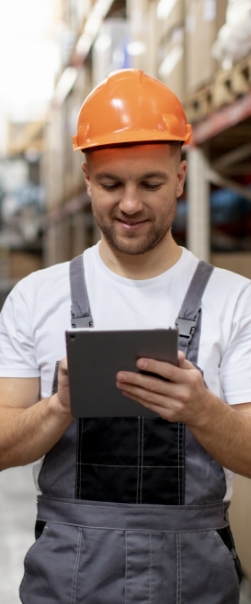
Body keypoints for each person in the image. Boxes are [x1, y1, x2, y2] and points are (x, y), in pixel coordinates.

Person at [0, 69, 251, 604]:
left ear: (182, 177)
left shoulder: (235, 300)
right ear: (87, 178)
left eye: (151, 184)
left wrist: (203, 409)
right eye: (111, 184)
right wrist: (60, 407)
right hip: (68, 578)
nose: (131, 204)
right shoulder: (35, 297)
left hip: (197, 581)